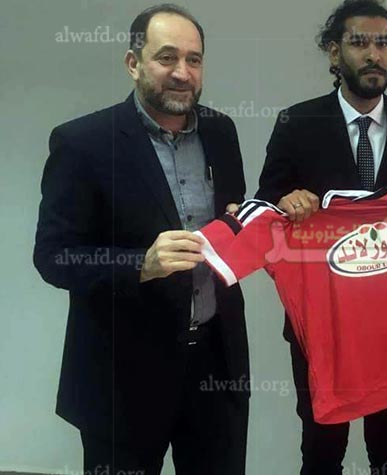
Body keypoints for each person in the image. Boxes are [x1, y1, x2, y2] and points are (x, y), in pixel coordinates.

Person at [254, 1, 387, 473]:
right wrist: (285, 202)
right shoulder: (298, 122)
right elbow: (263, 209)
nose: (374, 54)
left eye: (384, 43)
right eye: (359, 43)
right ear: (335, 53)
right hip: (323, 323)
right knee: (321, 447)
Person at [33, 4, 249, 474]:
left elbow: (231, 220)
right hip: (122, 374)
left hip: (216, 365)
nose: (182, 72)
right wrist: (141, 265)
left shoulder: (221, 131)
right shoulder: (83, 142)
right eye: (166, 57)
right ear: (133, 63)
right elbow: (53, 257)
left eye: (194, 59)